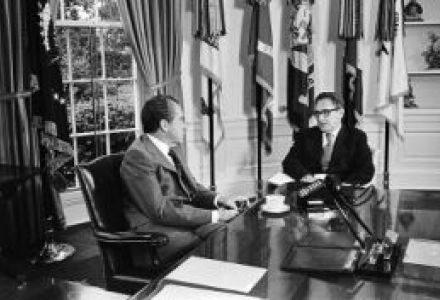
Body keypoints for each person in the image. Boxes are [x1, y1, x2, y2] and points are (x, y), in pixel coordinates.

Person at [120, 94, 238, 266]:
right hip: (155, 232)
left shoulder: (171, 149)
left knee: (228, 228)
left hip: (178, 220)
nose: (185, 125)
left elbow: (193, 187)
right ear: (164, 125)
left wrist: (219, 199)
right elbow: (160, 209)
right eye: (181, 119)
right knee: (216, 236)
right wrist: (214, 214)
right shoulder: (138, 156)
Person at [282, 92, 374, 187]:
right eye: (317, 113)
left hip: (343, 194)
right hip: (310, 190)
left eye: (326, 112)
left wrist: (343, 184)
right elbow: (289, 162)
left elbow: (366, 171)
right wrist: (305, 176)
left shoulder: (356, 137)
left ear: (340, 113)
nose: (320, 118)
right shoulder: (306, 135)